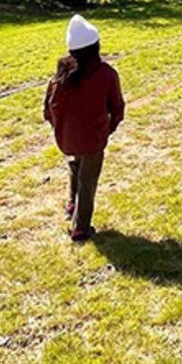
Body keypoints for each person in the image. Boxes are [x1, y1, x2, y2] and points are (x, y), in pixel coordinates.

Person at [43, 14, 125, 241]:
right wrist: (108, 129)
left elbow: (48, 109)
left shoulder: (59, 76)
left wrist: (61, 128)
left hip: (67, 138)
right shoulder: (106, 74)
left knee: (76, 164)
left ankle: (71, 204)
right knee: (88, 179)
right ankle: (80, 227)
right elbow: (117, 107)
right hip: (93, 137)